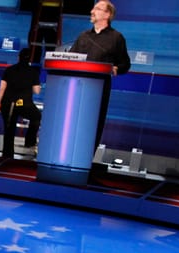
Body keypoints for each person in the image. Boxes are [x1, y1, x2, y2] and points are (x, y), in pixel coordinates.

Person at [70, 0, 130, 149]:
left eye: (97, 9)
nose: (92, 11)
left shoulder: (116, 38)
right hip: (78, 87)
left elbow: (125, 64)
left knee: (93, 124)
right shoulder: (83, 36)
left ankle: (87, 155)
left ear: (107, 14)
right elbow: (71, 58)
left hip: (99, 89)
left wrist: (116, 68)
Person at [0, 47, 42, 157]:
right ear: (30, 59)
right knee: (37, 117)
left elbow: (2, 88)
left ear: (18, 57)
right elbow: (37, 91)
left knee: (9, 130)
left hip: (8, 104)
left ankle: (7, 156)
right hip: (24, 104)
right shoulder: (33, 72)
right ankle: (30, 141)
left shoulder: (9, 70)